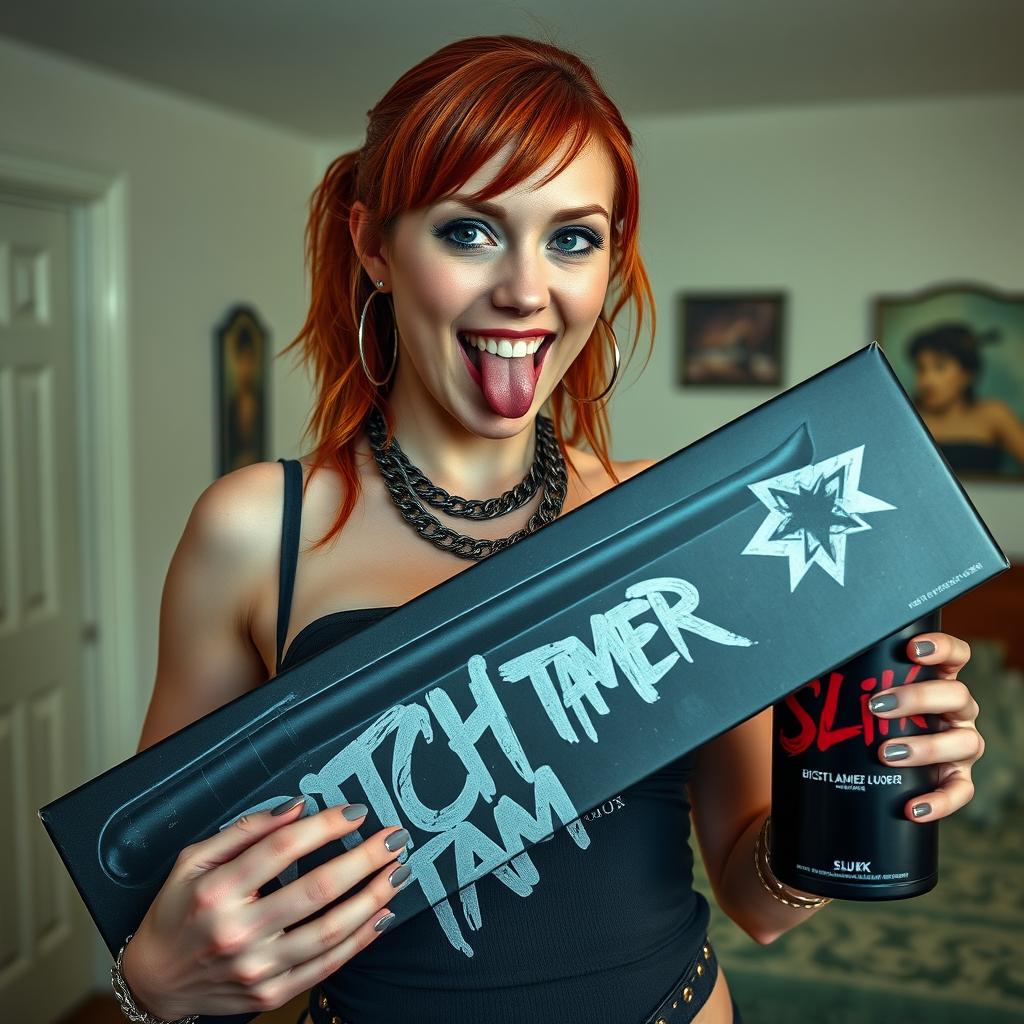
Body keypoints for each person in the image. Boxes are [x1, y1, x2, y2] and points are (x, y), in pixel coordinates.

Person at [115, 35, 986, 1024]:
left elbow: (756, 899)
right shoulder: (253, 532)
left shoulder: (680, 515)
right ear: (372, 245)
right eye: (470, 232)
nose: (527, 290)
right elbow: (161, 894)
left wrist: (856, 797)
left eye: (572, 237)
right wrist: (148, 987)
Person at [909, 320, 1024, 475]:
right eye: (920, 368)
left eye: (940, 367)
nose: (927, 380)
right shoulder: (909, 418)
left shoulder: (992, 414)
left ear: (967, 373)